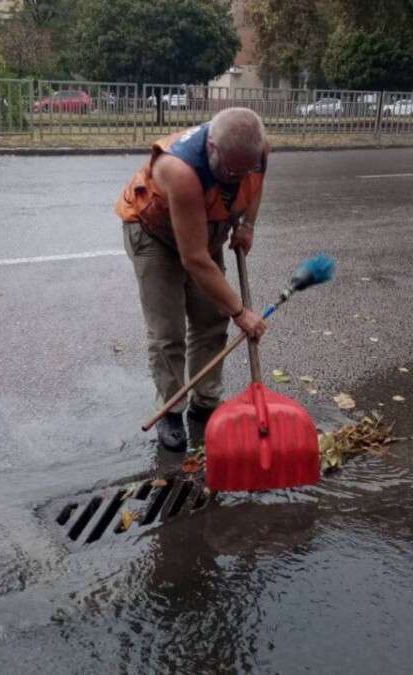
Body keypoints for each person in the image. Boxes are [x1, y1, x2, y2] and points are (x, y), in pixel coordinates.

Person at [115, 107, 269, 450]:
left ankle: (205, 402)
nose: (236, 178)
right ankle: (172, 409)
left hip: (204, 229)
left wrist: (247, 225)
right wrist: (241, 312)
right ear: (212, 147)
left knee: (210, 320)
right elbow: (195, 259)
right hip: (154, 233)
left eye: (244, 169)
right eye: (230, 170)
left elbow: (255, 185)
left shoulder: (256, 151)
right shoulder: (180, 170)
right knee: (167, 331)